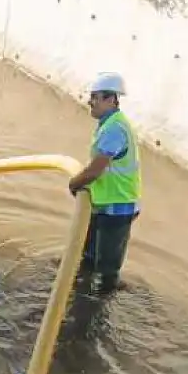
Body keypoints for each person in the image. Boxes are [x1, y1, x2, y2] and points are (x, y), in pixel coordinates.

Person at [66, 72, 141, 292]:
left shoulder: (114, 129)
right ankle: (81, 291)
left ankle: (98, 306)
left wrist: (75, 183)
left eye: (95, 97)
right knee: (89, 257)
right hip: (104, 202)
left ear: (111, 99)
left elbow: (96, 169)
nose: (90, 102)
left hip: (118, 206)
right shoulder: (110, 124)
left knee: (106, 270)